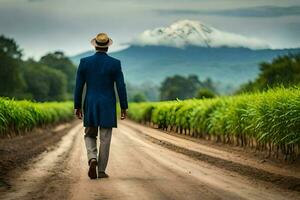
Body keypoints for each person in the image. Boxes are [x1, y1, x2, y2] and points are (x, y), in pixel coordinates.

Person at [74, 33, 128, 179]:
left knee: (89, 134)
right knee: (105, 138)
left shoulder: (84, 62)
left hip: (90, 103)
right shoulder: (115, 63)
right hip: (108, 105)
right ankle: (102, 171)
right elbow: (121, 86)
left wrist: (77, 106)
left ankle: (92, 158)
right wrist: (124, 107)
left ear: (95, 45)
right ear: (108, 47)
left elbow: (78, 87)